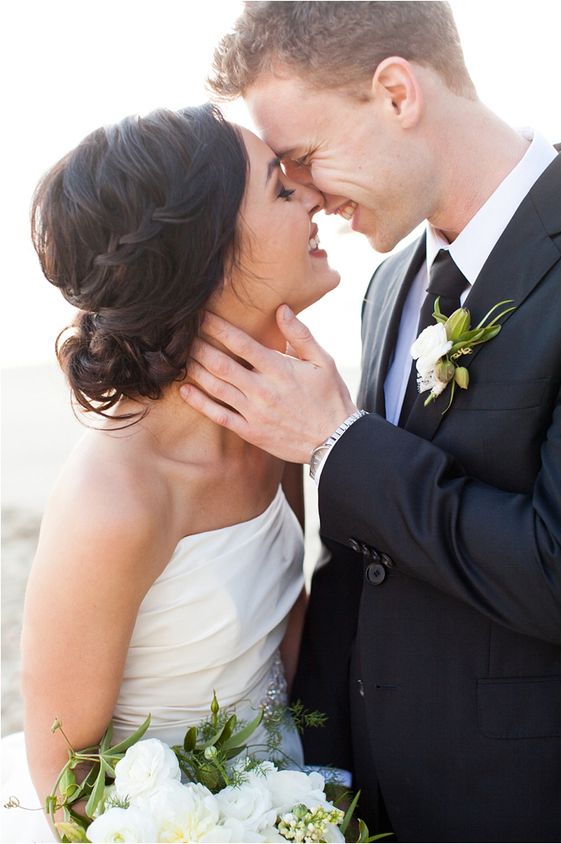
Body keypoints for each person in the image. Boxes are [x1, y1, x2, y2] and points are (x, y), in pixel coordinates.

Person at [179, 2, 561, 841]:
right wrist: (315, 782)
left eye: (303, 159)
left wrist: (337, 443)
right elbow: (359, 561)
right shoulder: (391, 286)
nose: (306, 197)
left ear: (396, 93)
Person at [0, 103, 341, 842]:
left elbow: (287, 646)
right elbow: (64, 780)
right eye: (282, 191)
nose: (314, 198)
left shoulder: (276, 420)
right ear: (211, 258)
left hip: (293, 794)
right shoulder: (116, 501)